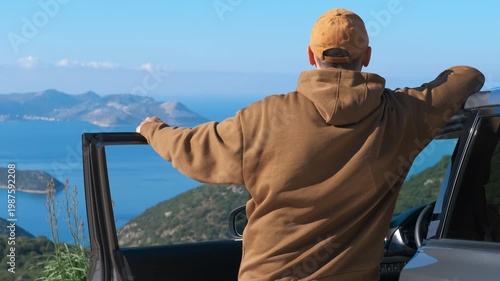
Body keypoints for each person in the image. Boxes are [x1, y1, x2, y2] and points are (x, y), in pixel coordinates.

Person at [136, 8, 485, 281]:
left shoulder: (265, 116)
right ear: (366, 56)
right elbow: (467, 75)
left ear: (309, 55)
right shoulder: (401, 115)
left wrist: (154, 130)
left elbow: (193, 149)